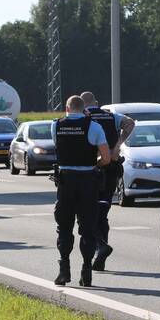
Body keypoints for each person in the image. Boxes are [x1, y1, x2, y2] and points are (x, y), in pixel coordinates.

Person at [51, 95, 111, 287]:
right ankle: (86, 271)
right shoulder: (94, 127)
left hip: (66, 181)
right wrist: (95, 164)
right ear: (84, 109)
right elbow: (106, 158)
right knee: (87, 228)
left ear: (67, 108)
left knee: (64, 226)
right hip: (87, 182)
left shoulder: (56, 126)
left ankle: (64, 269)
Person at [80, 91, 136, 271]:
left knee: (88, 213)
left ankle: (99, 247)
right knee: (102, 213)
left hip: (90, 171)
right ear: (96, 103)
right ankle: (100, 255)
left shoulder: (82, 117)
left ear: (81, 105)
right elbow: (130, 123)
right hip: (111, 170)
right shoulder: (111, 116)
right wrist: (117, 146)